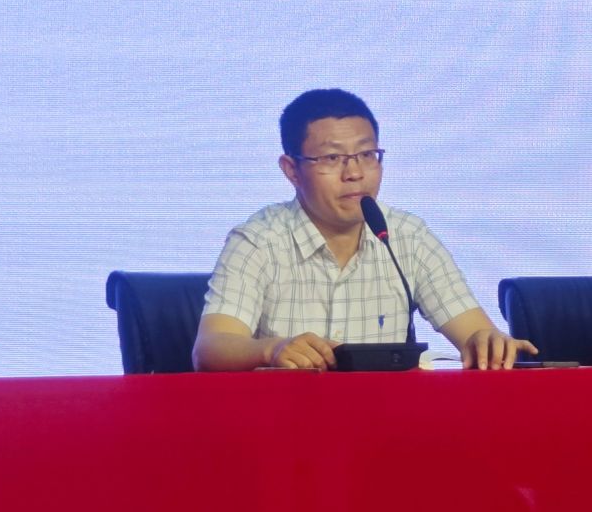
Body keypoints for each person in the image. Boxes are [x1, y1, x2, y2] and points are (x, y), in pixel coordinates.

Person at [193, 89, 535, 371]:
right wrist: (272, 349)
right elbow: (210, 349)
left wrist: (486, 342)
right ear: (292, 170)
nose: (354, 173)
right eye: (332, 158)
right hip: (285, 420)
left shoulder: (407, 236)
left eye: (367, 154)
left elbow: (477, 334)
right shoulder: (258, 241)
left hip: (386, 421)